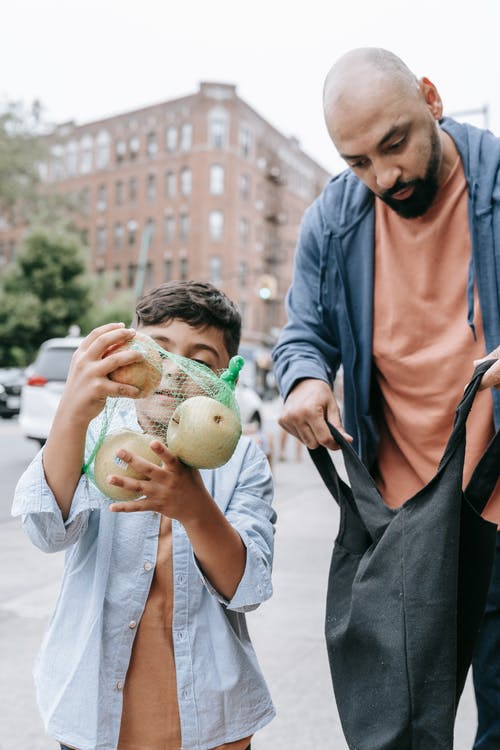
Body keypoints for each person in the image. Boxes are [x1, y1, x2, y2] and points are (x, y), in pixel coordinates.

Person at [272, 47, 500, 749]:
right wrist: (306, 377)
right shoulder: (333, 219)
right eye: (358, 162)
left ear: (432, 98)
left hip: (497, 500)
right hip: (404, 524)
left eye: (394, 144)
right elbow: (302, 332)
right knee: (396, 732)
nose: (384, 176)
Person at [12, 280, 276, 750]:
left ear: (227, 377)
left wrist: (194, 508)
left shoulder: (240, 460)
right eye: (159, 350)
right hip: (94, 711)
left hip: (211, 719)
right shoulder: (99, 433)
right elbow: (47, 530)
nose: (175, 373)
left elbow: (248, 588)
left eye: (200, 361)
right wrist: (72, 413)